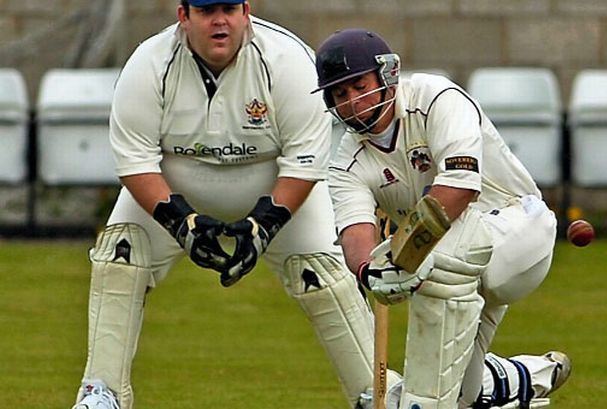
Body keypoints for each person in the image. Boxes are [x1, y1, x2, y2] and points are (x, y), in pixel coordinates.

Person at [70, 2, 380, 408]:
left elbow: (305, 161)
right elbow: (135, 161)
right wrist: (181, 223)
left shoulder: (288, 59)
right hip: (175, 179)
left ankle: (375, 392)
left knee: (320, 275)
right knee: (120, 255)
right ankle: (102, 392)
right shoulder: (149, 62)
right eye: (206, 10)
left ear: (246, 10)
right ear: (184, 16)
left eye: (229, 8)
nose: (220, 21)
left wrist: (264, 226)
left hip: (275, 181)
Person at [313, 28, 571, 409]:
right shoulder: (346, 163)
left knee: (442, 250)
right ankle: (519, 378)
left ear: (387, 75)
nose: (354, 102)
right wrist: (371, 271)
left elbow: (458, 189)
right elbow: (356, 232)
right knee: (463, 396)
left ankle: (420, 403)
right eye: (341, 94)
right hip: (452, 267)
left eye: (360, 85)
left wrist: (402, 257)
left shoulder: (435, 98)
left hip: (519, 232)